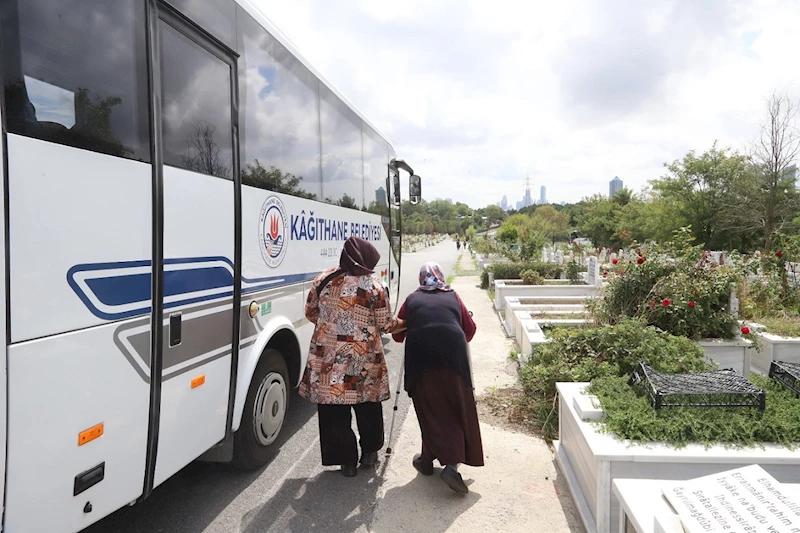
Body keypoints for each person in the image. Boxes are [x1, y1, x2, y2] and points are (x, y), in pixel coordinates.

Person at [300, 236, 399, 477]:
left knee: (334, 410)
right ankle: (369, 454)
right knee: (367, 406)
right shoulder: (373, 286)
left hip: (328, 359)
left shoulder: (323, 279)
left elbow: (311, 312)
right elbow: (385, 324)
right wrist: (407, 322)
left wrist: (332, 330)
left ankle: (346, 462)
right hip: (363, 360)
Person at [391, 261, 483, 493]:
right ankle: (447, 465)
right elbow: (470, 331)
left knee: (429, 409)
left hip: (421, 362)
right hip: (454, 361)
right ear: (440, 276)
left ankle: (430, 461)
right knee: (455, 408)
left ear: (422, 279)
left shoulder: (412, 299)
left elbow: (397, 337)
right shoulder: (452, 296)